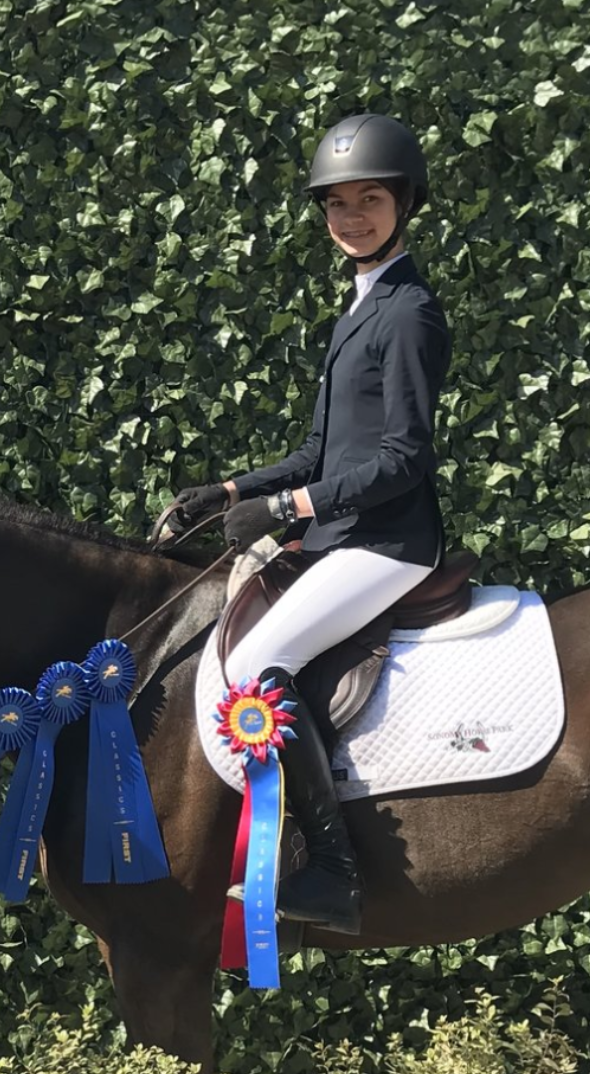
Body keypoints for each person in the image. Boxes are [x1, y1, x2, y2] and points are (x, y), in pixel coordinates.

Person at [170, 114, 451, 935]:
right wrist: (225, 491)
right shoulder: (362, 306)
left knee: (259, 663)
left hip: (391, 541)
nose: (352, 218)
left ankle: (333, 870)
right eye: (337, 204)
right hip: (347, 531)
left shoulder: (407, 313)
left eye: (370, 200)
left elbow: (405, 456)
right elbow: (318, 450)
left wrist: (290, 509)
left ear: (403, 204)